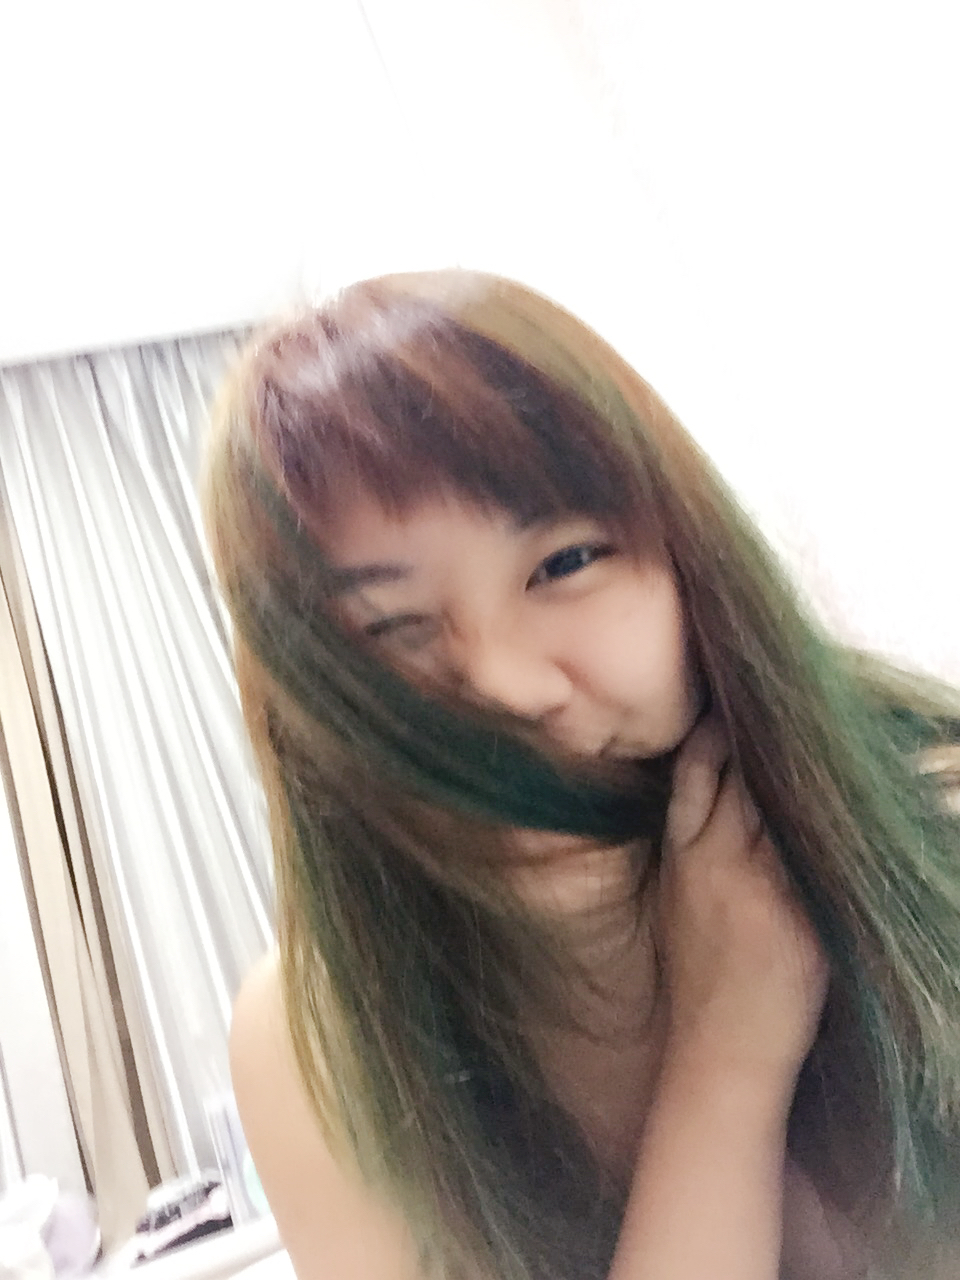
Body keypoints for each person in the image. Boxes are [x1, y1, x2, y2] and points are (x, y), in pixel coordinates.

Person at [202, 270, 960, 1280]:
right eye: (391, 630)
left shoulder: (928, 819)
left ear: (686, 557)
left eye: (563, 563)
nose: (507, 686)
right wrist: (726, 1059)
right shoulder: (317, 1042)